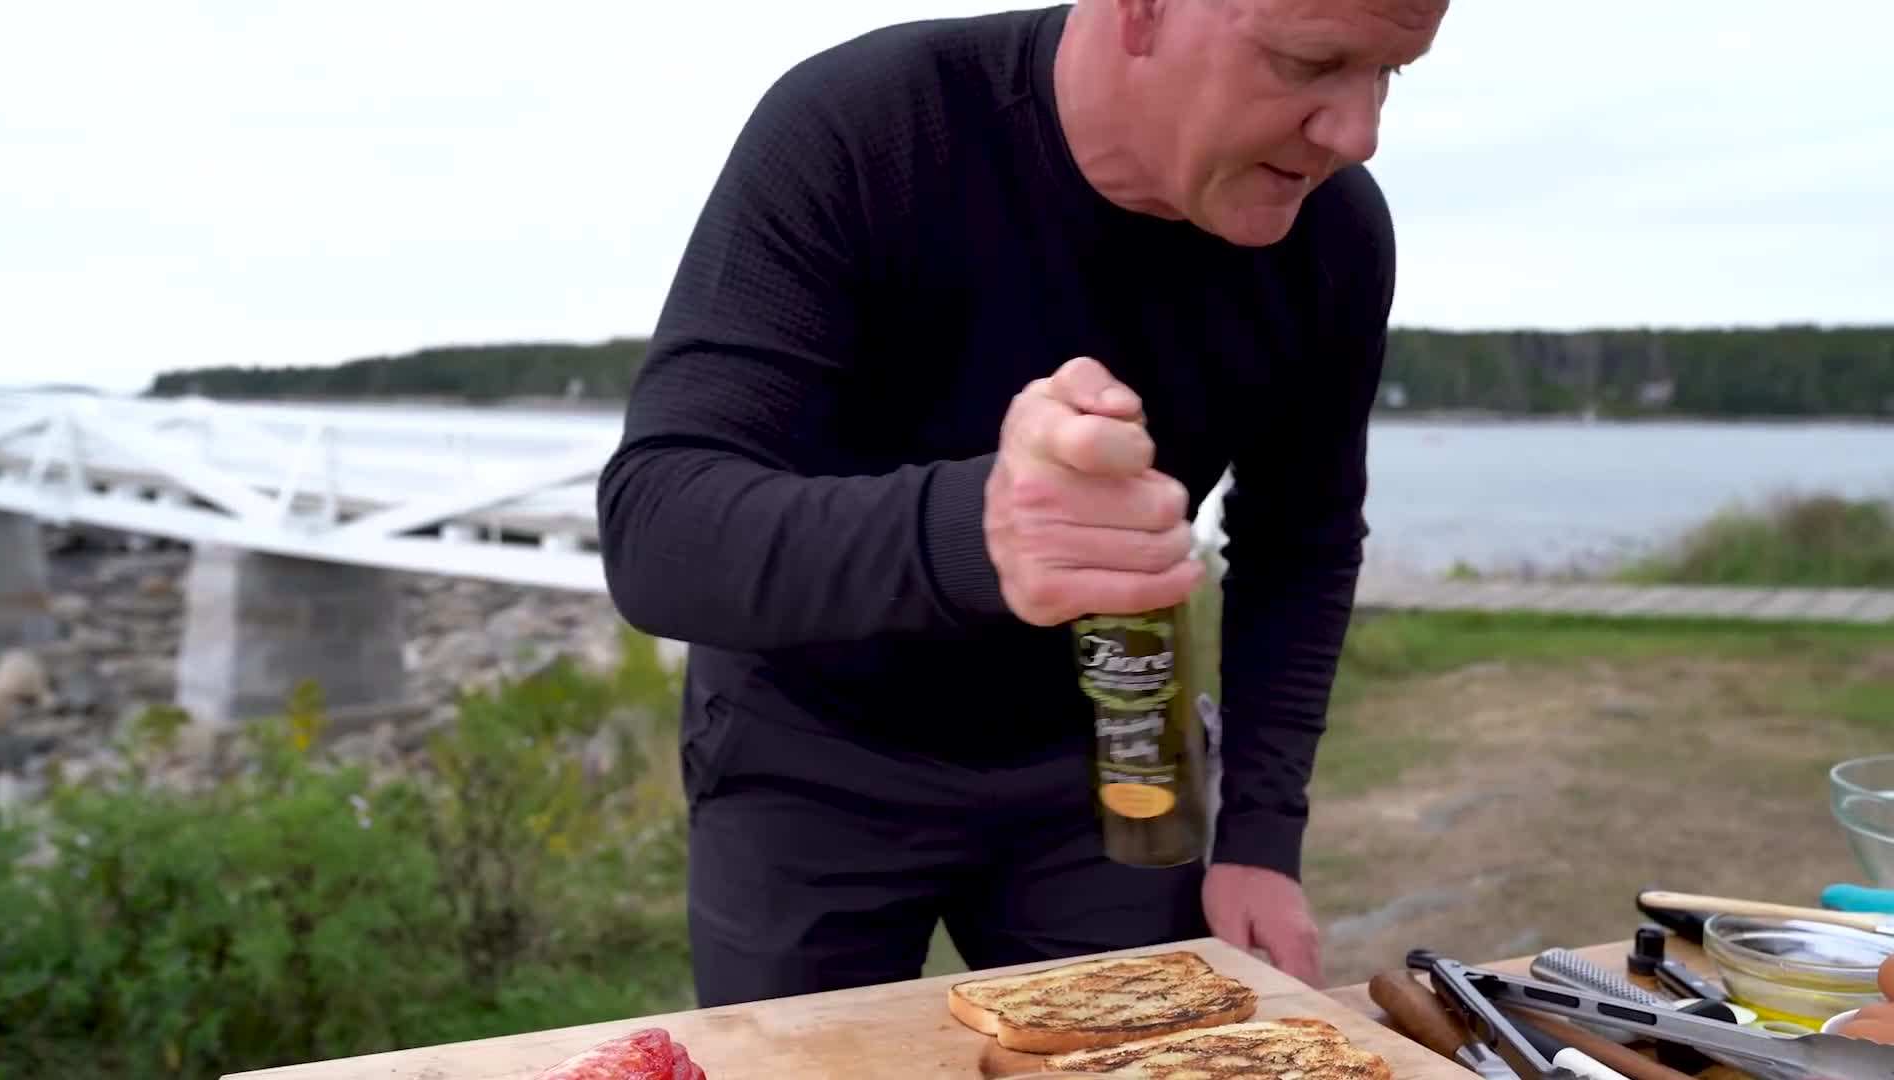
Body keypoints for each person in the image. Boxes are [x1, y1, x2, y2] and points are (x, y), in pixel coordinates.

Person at [597, 0, 1448, 1007]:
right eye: (1312, 63)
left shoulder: (1336, 233)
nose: (1358, 133)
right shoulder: (870, 128)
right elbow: (659, 524)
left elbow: (1298, 539)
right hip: (812, 752)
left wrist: (1261, 834)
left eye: (1391, 74)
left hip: (1114, 756)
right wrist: (976, 532)